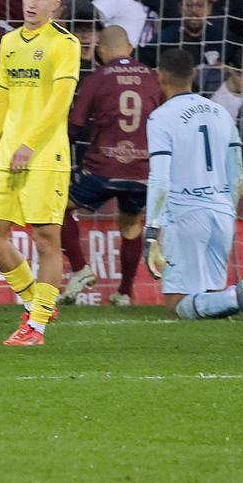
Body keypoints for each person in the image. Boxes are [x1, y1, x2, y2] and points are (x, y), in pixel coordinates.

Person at [143, 49, 243, 322]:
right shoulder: (221, 112)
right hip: (221, 211)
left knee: (177, 303)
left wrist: (151, 231)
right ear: (193, 75)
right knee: (209, 293)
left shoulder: (161, 118)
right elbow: (237, 174)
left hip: (185, 214)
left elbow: (159, 177)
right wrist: (227, 210)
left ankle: (241, 296)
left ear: (159, 76)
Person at [0, 0, 80, 346]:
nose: (32, 3)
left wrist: (30, 143)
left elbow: (60, 101)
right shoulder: (9, 42)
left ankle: (35, 326)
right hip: (6, 154)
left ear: (56, 4)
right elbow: (1, 100)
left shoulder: (64, 44)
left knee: (46, 241)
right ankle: (38, 302)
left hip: (45, 155)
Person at [58, 26, 162, 306]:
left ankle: (79, 269)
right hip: (142, 171)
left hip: (102, 168)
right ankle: (125, 293)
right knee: (130, 226)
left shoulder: (97, 77)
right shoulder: (152, 78)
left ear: (101, 50)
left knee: (56, 209)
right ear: (130, 46)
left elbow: (75, 125)